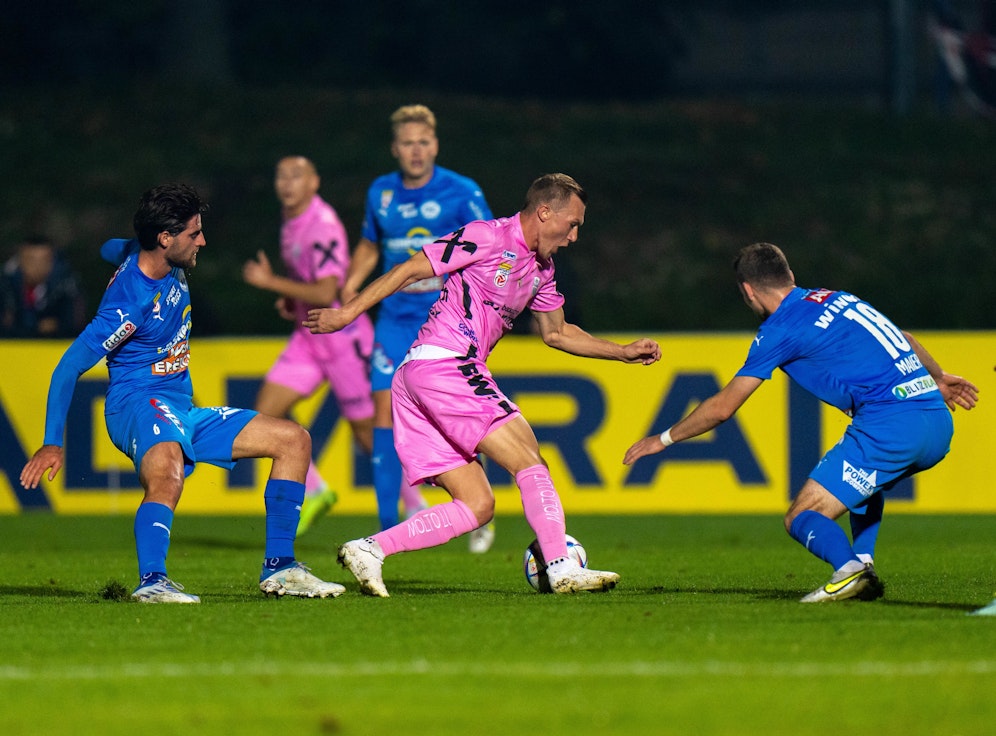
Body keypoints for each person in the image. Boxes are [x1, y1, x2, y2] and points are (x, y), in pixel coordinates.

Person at [304, 173, 662, 597]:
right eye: (573, 224)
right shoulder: (488, 236)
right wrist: (346, 315)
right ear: (545, 212)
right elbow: (409, 268)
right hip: (445, 364)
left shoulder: (541, 270)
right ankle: (562, 566)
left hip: (422, 377)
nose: (575, 236)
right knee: (530, 459)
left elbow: (558, 333)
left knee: (478, 505)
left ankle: (370, 549)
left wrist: (620, 352)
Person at [20, 184, 343, 603]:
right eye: (195, 233)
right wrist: (50, 442)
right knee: (167, 470)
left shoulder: (151, 254)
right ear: (165, 239)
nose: (203, 241)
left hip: (178, 408)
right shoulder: (129, 304)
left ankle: (281, 569)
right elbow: (68, 368)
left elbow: (109, 247)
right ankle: (152, 582)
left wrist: (118, 251)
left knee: (293, 440)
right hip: (136, 404)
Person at [624, 242, 979, 603]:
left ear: (747, 290)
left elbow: (722, 407)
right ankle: (864, 561)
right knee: (864, 485)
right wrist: (939, 376)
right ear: (790, 276)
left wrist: (664, 439)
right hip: (935, 419)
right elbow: (905, 339)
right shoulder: (838, 298)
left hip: (891, 426)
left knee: (801, 515)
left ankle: (849, 571)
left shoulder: (778, 330)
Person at [342, 104, 497, 551]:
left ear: (436, 145)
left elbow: (490, 245)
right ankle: (386, 525)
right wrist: (350, 289)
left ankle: (477, 505)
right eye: (408, 143)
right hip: (393, 318)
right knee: (381, 414)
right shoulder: (381, 193)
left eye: (423, 142)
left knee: (456, 417)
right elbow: (371, 246)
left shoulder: (462, 191)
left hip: (446, 321)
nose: (416, 150)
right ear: (395, 148)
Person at [242, 155, 375, 535]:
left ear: (314, 182)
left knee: (367, 433)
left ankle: (419, 499)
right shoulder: (290, 219)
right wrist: (291, 299)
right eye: (281, 175)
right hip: (308, 332)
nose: (287, 183)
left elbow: (326, 290)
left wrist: (272, 284)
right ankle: (315, 490)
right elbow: (308, 283)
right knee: (265, 413)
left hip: (339, 336)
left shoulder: (322, 224)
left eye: (296, 176)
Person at [0, 235, 86, 338]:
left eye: (44, 261)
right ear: (20, 260)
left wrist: (58, 325)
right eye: (31, 260)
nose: (37, 267)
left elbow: (75, 324)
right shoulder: (5, 285)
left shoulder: (66, 286)